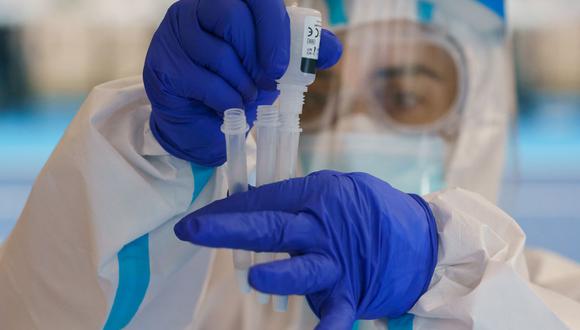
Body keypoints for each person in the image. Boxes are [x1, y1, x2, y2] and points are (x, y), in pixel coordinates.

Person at [0, 0, 579, 329]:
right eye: (319, 95)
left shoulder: (549, 296)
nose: (353, 127)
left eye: (404, 96)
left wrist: (440, 271)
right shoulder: (193, 285)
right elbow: (42, 310)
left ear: (475, 115)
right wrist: (151, 161)